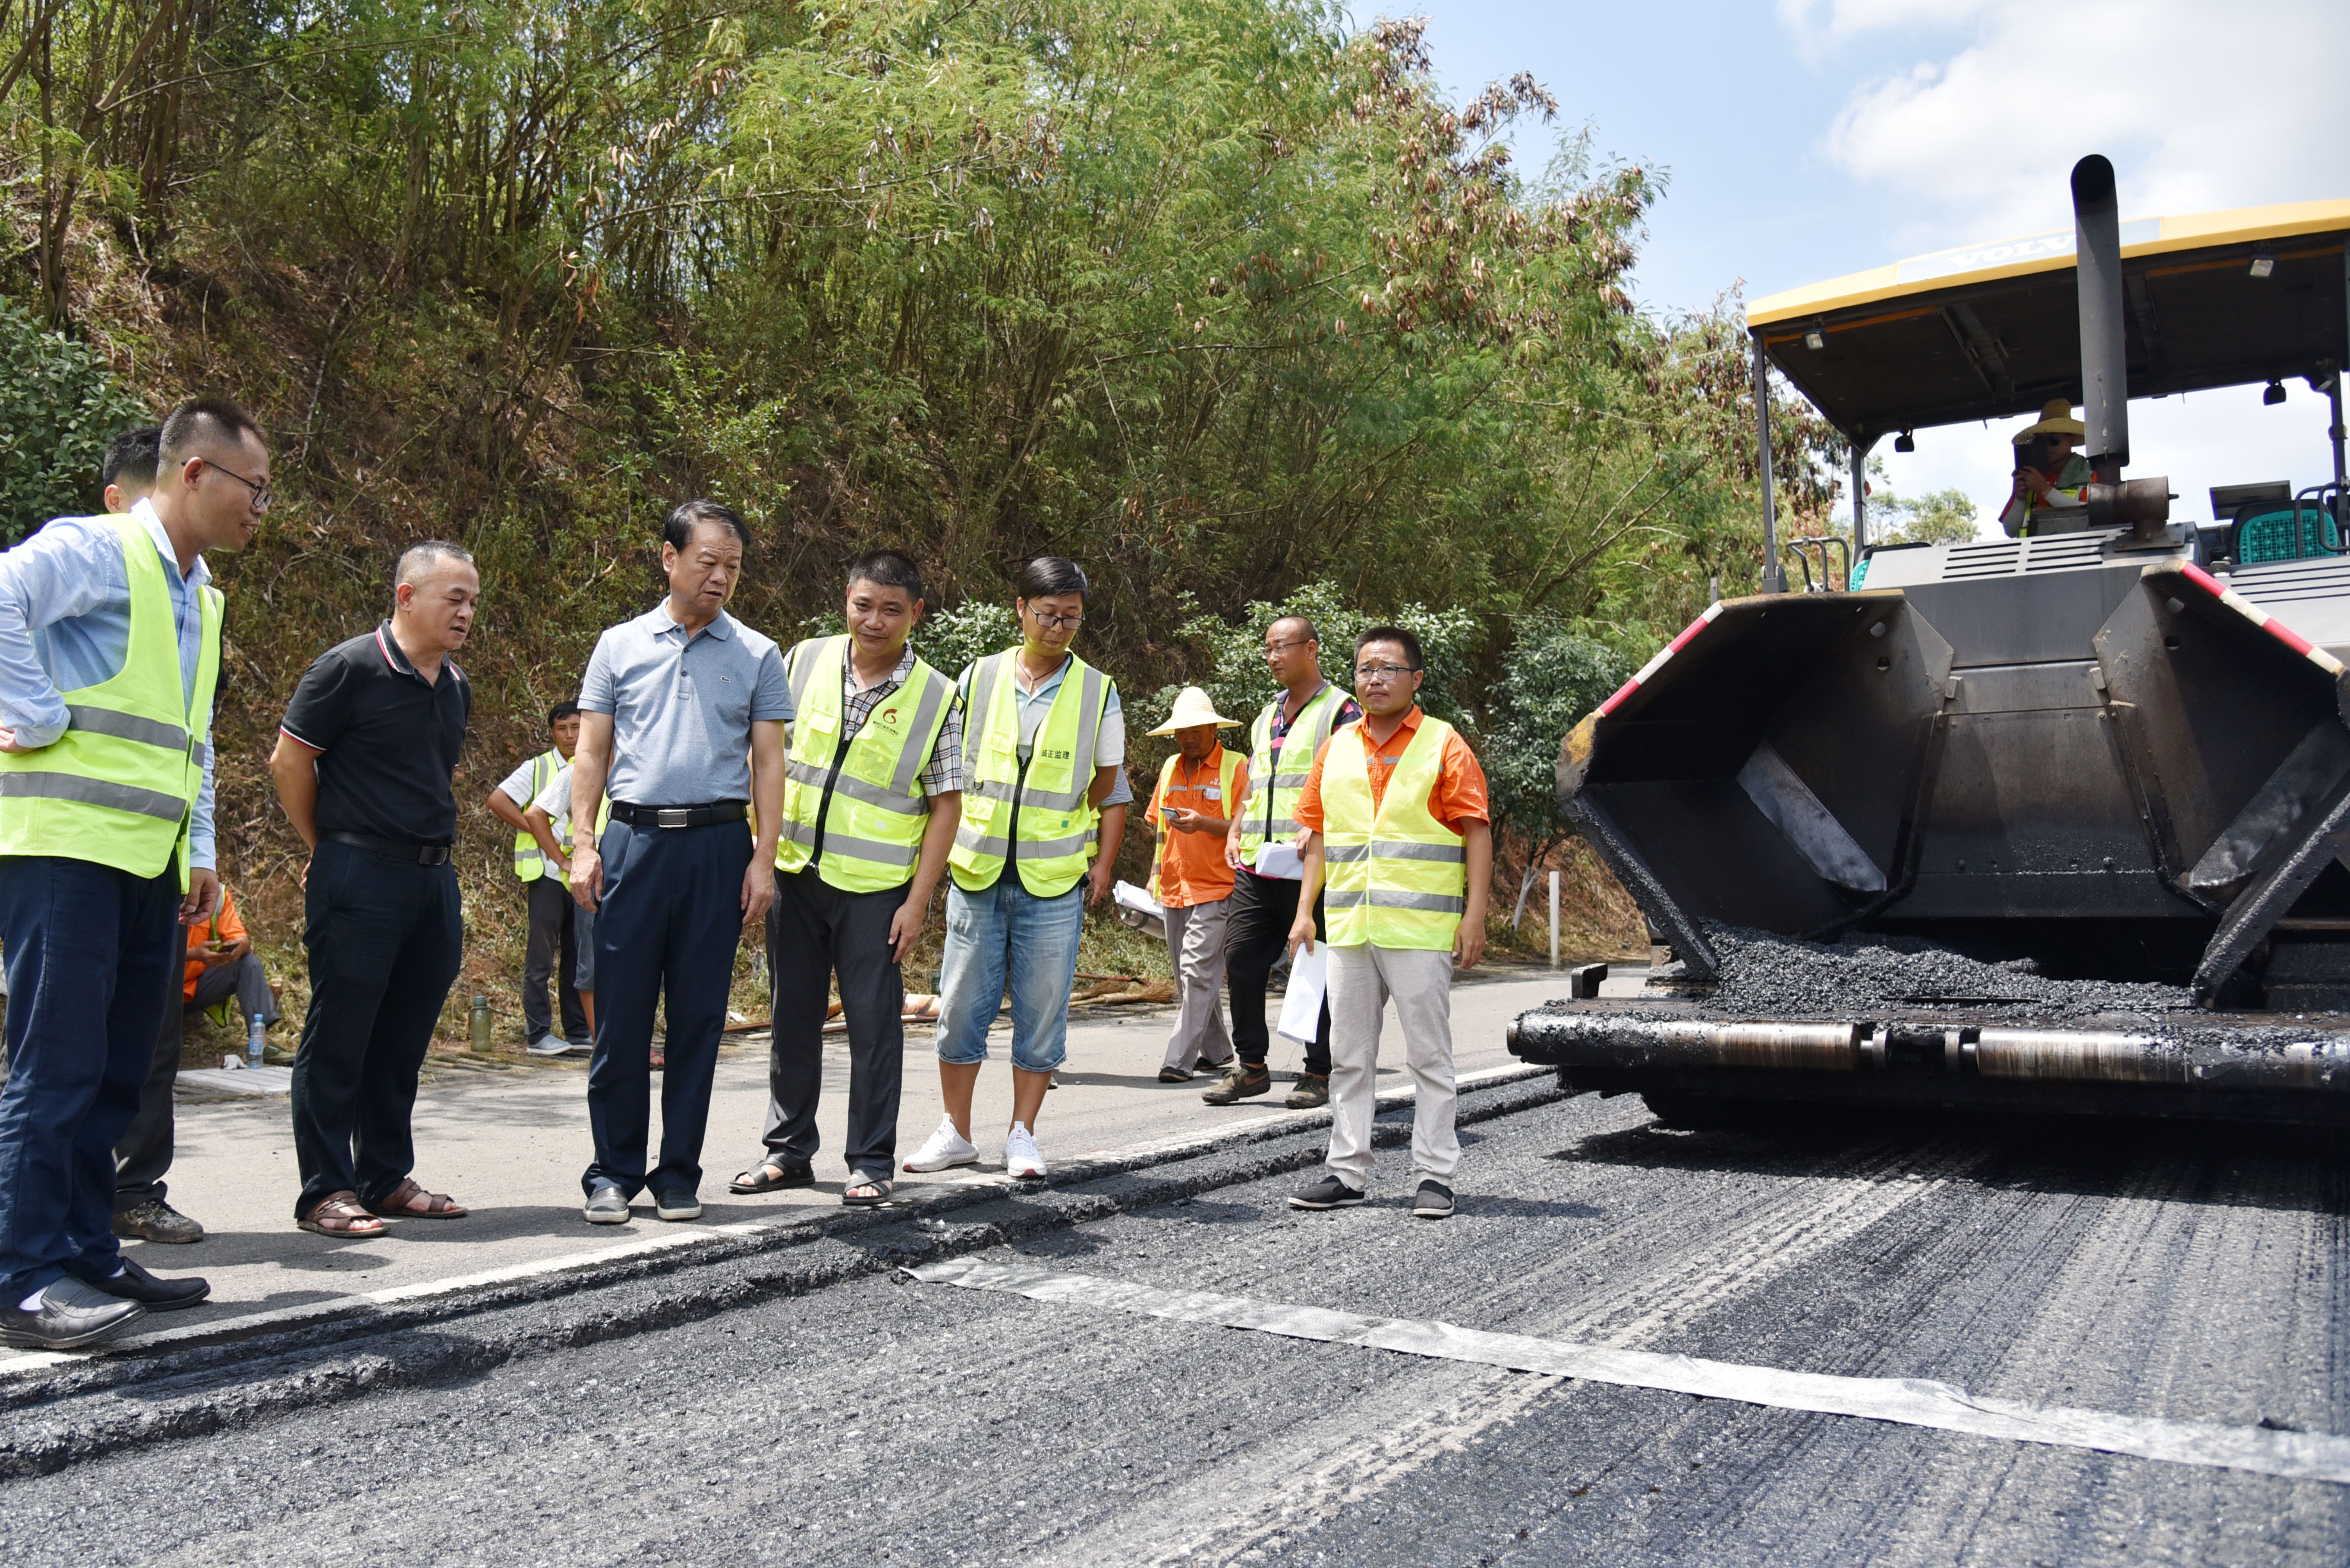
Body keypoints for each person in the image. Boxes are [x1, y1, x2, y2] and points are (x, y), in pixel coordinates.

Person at [0, 397, 266, 1349]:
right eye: (251, 488)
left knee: (116, 1073)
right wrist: (30, 710)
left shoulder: (202, 594)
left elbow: (186, 739)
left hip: (147, 861)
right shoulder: (99, 548)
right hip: (64, 847)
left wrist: (197, 852)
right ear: (192, 473)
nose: (259, 509)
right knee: (55, 1063)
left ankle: (85, 1249)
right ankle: (21, 1276)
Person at [569, 500, 789, 1226]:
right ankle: (612, 1173)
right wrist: (582, 842)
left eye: (732, 566)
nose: (721, 576)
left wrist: (764, 858)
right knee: (622, 1017)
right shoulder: (619, 644)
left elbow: (767, 761)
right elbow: (592, 752)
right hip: (633, 841)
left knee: (698, 1019)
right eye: (708, 562)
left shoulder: (758, 653)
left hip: (718, 848)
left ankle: (677, 1175)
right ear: (669, 558)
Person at [729, 551, 961, 1207]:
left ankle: (870, 1159)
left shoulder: (940, 694)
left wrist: (918, 901)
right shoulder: (803, 658)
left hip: (877, 890)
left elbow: (946, 804)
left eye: (892, 609)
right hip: (795, 875)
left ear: (916, 613)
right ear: (846, 600)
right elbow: (765, 756)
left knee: (873, 1026)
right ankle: (787, 1150)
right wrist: (761, 854)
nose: (875, 620)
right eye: (864, 604)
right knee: (792, 1017)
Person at [270, 541, 478, 1239]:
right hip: (358, 872)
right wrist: (323, 847)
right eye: (455, 597)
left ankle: (384, 1176)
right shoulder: (347, 669)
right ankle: (324, 1190)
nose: (466, 612)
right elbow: (290, 761)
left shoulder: (455, 684)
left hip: (431, 878)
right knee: (340, 1035)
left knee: (402, 1039)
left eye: (473, 601)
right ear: (407, 595)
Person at [904, 556, 1121, 1180]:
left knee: (1042, 1010)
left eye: (1072, 618)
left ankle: (1022, 1134)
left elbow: (1106, 781)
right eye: (1048, 614)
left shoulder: (1098, 690)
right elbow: (949, 763)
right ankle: (956, 1131)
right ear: (1021, 610)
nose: (1058, 627)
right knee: (961, 1007)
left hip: (1052, 881)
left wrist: (1093, 857)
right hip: (977, 869)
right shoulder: (980, 676)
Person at [1284, 626, 1491, 1221]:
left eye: (1388, 669)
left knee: (1430, 1057)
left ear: (1416, 679)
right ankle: (1346, 1171)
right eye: (1365, 668)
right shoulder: (1338, 746)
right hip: (1349, 928)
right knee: (1349, 1056)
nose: (1374, 679)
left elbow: (1476, 830)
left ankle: (1434, 1176)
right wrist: (1304, 912)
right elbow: (1319, 836)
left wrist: (1474, 915)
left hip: (1419, 931)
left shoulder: (1443, 744)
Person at [1209, 615, 1360, 1109]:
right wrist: (1235, 827)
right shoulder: (1266, 715)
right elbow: (1254, 782)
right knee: (1241, 959)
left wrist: (1317, 824)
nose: (1273, 657)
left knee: (1313, 965)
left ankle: (1318, 1071)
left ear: (1311, 649)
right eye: (1268, 649)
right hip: (1260, 863)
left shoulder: (1342, 711)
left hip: (1313, 865)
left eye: (1282, 647)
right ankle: (1251, 1067)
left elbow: (1355, 782)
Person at [115, 880, 281, 1243]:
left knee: (155, 1056)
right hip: (158, 968)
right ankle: (43, 1198)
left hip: (191, 980)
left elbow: (241, 937)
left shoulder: (215, 892)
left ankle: (131, 1195)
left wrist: (231, 950)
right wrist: (197, 955)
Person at [1143, 687, 1246, 1082]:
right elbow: (1159, 830)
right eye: (1181, 732)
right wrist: (1154, 871)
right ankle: (1218, 1050)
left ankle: (1178, 1060)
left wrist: (1204, 823)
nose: (1187, 738)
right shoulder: (1170, 767)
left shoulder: (1235, 768)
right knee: (1188, 975)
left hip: (1218, 886)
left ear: (1213, 728)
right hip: (1174, 886)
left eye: (1195, 731)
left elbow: (1246, 830)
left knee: (1197, 971)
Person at [487, 701, 588, 1055]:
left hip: (580, 876)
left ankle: (578, 1030)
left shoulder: (593, 765)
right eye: (562, 729)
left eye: (576, 727)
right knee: (541, 957)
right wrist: (532, 827)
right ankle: (539, 1033)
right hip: (546, 872)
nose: (570, 735)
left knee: (579, 956)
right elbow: (498, 800)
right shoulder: (539, 767)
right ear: (552, 733)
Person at [521, 758, 602, 1050]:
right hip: (594, 880)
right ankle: (602, 1044)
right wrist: (563, 860)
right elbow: (535, 814)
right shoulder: (580, 769)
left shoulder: (645, 762)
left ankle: (632, 1041)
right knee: (590, 964)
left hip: (642, 876)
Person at [1998, 399, 2091, 537]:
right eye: (2040, 442)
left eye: (2053, 440)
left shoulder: (2090, 475)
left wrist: (2045, 490)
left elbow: (2088, 516)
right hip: (2032, 557)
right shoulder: (2031, 476)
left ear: (2071, 440)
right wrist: (2020, 498)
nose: (2046, 446)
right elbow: (2010, 531)